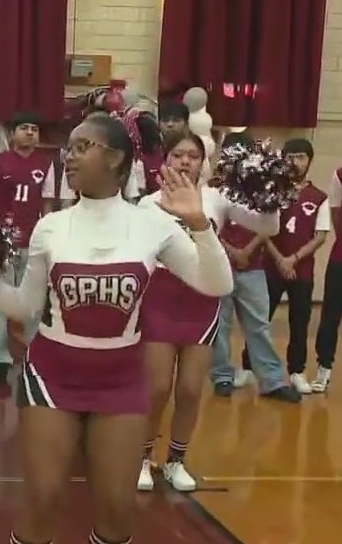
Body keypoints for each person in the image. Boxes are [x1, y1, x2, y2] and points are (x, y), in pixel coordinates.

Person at [0, 113, 233, 544]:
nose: (69, 156)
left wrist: (199, 224)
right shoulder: (51, 227)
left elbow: (217, 284)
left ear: (116, 158)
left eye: (82, 147)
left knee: (117, 512)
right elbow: (26, 305)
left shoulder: (151, 224)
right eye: (70, 148)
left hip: (121, 379)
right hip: (52, 377)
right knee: (43, 500)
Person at [135, 130, 283, 494]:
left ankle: (176, 460)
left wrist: (270, 192)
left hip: (201, 303)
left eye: (193, 155)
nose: (185, 161)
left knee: (189, 389)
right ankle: (142, 457)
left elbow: (270, 226)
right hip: (159, 302)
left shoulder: (217, 198)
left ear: (204, 163)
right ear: (165, 160)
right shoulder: (147, 204)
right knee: (157, 388)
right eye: (178, 154)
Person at [0, 112, 73, 384]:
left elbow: (47, 204)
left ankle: (34, 358)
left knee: (34, 304)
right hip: (3, 244)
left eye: (34, 128)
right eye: (24, 128)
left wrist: (47, 239)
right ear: (13, 134)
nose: (30, 132)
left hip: (33, 245)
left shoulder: (46, 164)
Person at [210, 132, 299, 401]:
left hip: (254, 265)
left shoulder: (262, 185)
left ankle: (272, 381)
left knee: (259, 325)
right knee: (220, 326)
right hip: (221, 266)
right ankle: (222, 376)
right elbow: (208, 226)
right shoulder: (213, 189)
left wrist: (247, 251)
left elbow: (270, 224)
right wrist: (232, 251)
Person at [244, 138, 329, 394]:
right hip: (271, 267)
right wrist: (280, 259)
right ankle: (248, 367)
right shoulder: (272, 192)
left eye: (301, 157)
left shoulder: (319, 198)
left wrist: (293, 259)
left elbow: (320, 236)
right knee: (260, 320)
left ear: (309, 161)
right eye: (290, 157)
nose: (295, 162)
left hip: (301, 271)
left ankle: (297, 371)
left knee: (300, 322)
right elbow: (262, 229)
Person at [313, 160, 342, 392]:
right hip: (340, 259)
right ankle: (324, 367)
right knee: (331, 315)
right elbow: (336, 215)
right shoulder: (340, 175)